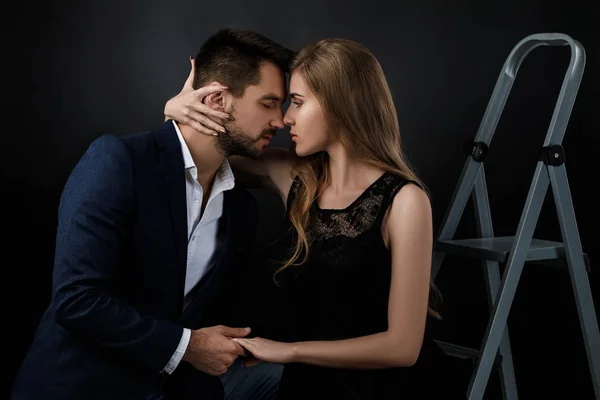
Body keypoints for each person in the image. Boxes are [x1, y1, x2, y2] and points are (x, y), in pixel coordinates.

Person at [164, 37, 470, 399]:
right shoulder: (295, 176)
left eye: (297, 102)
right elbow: (201, 153)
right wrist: (174, 110)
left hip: (383, 389)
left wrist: (288, 351)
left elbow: (402, 347)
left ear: (340, 106)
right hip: (308, 386)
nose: (284, 119)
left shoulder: (405, 200)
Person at [11, 28, 293, 400]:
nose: (280, 120)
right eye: (268, 103)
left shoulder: (241, 209)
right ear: (217, 99)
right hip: (80, 385)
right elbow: (76, 299)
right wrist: (188, 347)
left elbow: (208, 317)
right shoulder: (118, 161)